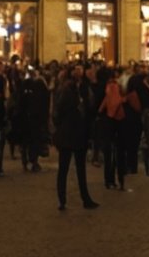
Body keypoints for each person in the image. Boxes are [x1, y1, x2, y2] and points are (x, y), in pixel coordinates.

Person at [54, 64, 98, 210]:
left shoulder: (84, 88)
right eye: (76, 70)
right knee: (64, 168)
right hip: (68, 132)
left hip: (79, 132)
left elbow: (90, 107)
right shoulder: (66, 89)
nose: (79, 72)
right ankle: (62, 199)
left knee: (79, 168)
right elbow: (58, 112)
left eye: (81, 69)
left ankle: (85, 198)